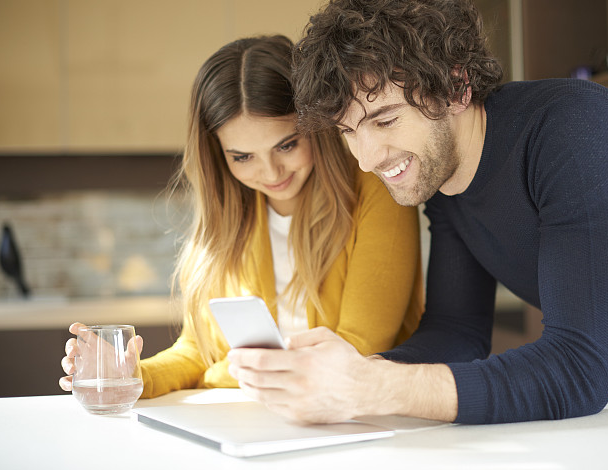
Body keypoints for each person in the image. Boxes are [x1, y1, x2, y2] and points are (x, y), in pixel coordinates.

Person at [225, 0, 608, 454]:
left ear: (457, 85)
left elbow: (580, 370)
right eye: (349, 131)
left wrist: (374, 387)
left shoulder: (576, 133)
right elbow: (455, 332)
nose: (368, 157)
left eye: (385, 119)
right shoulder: (443, 180)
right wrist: (348, 372)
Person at [59, 35, 424, 399]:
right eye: (242, 157)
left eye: (287, 145)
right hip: (260, 423)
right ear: (218, 156)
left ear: (318, 128)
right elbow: (197, 353)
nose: (270, 172)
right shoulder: (230, 219)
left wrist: (224, 373)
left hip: (360, 424)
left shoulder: (375, 189)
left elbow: (355, 351)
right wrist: (131, 374)